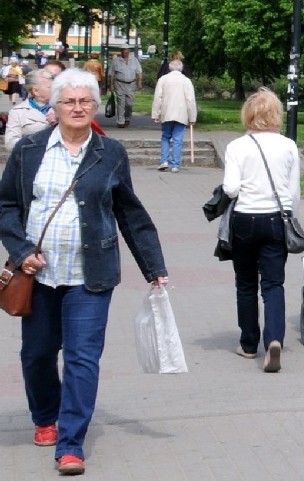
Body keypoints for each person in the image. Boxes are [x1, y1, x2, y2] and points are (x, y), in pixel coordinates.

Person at [0, 68, 168, 475]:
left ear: (94, 106)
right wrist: (21, 250)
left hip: (90, 274)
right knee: (37, 355)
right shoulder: (29, 150)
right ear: (54, 108)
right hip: (37, 276)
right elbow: (6, 207)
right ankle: (45, 415)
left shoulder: (110, 153)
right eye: (69, 101)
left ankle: (71, 443)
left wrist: (153, 267)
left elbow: (129, 211)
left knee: (82, 358)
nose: (77, 108)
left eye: (85, 101)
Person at [222, 88, 300, 373]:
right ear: (276, 114)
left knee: (245, 284)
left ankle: (248, 342)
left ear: (249, 115)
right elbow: (293, 193)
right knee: (273, 284)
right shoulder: (289, 146)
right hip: (276, 219)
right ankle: (275, 340)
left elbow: (230, 188)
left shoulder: (236, 147)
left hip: (244, 219)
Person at [151, 59, 197, 173]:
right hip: (181, 114)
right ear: (181, 68)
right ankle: (175, 165)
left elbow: (158, 98)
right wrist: (192, 117)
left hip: (167, 113)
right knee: (178, 139)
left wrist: (155, 114)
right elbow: (190, 100)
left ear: (169, 68)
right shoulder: (186, 81)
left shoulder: (163, 79)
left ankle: (164, 161)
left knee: (165, 137)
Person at [4, 69, 57, 152]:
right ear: (36, 91)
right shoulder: (18, 112)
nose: (55, 90)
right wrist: (37, 143)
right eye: (50, 87)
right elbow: (10, 143)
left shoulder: (62, 107)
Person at [108, 44, 142, 128]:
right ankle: (120, 121)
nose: (124, 52)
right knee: (121, 103)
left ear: (129, 51)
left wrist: (139, 82)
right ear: (121, 52)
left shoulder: (134, 60)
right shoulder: (116, 61)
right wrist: (111, 85)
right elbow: (111, 74)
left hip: (131, 84)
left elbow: (139, 72)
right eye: (122, 50)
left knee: (129, 104)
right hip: (119, 84)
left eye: (126, 50)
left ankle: (127, 117)